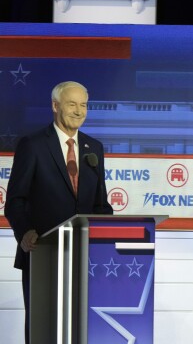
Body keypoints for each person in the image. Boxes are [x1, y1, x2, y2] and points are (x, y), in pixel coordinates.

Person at [5, 81, 113, 343]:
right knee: (44, 328)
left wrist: (111, 229)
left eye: (84, 105)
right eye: (72, 104)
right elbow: (15, 200)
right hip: (43, 253)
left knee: (81, 328)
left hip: (85, 258)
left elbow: (100, 204)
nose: (79, 111)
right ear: (55, 106)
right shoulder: (33, 145)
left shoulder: (93, 148)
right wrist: (26, 232)